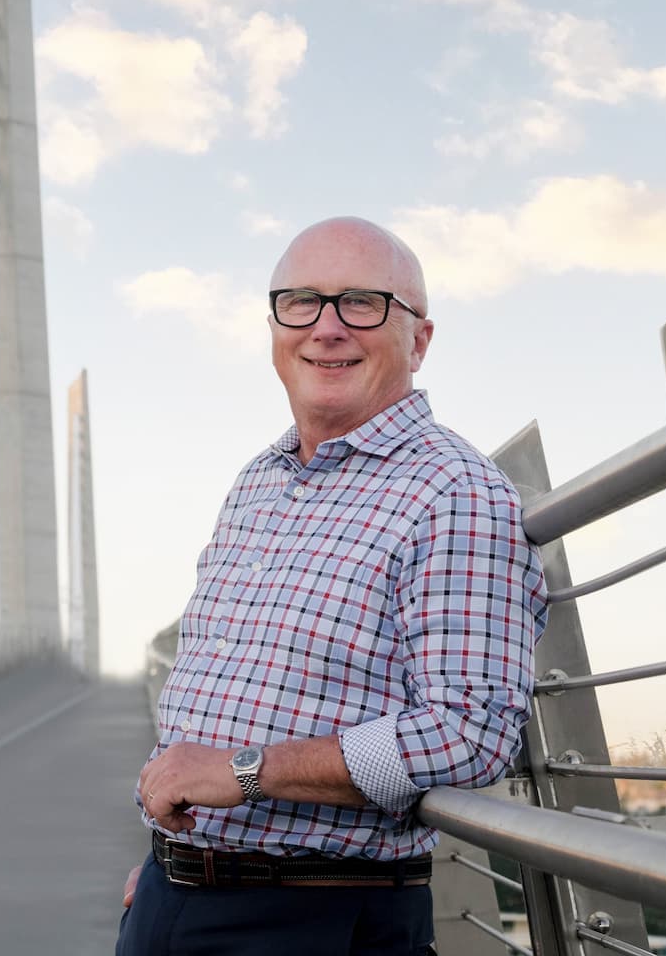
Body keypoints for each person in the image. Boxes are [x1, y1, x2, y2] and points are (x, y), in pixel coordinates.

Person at [116, 217, 549, 956]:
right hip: (179, 900)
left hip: (313, 919)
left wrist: (245, 775)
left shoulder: (455, 493)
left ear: (419, 338)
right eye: (302, 302)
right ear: (275, 327)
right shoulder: (260, 479)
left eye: (363, 303)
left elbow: (470, 733)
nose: (327, 328)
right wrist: (172, 870)